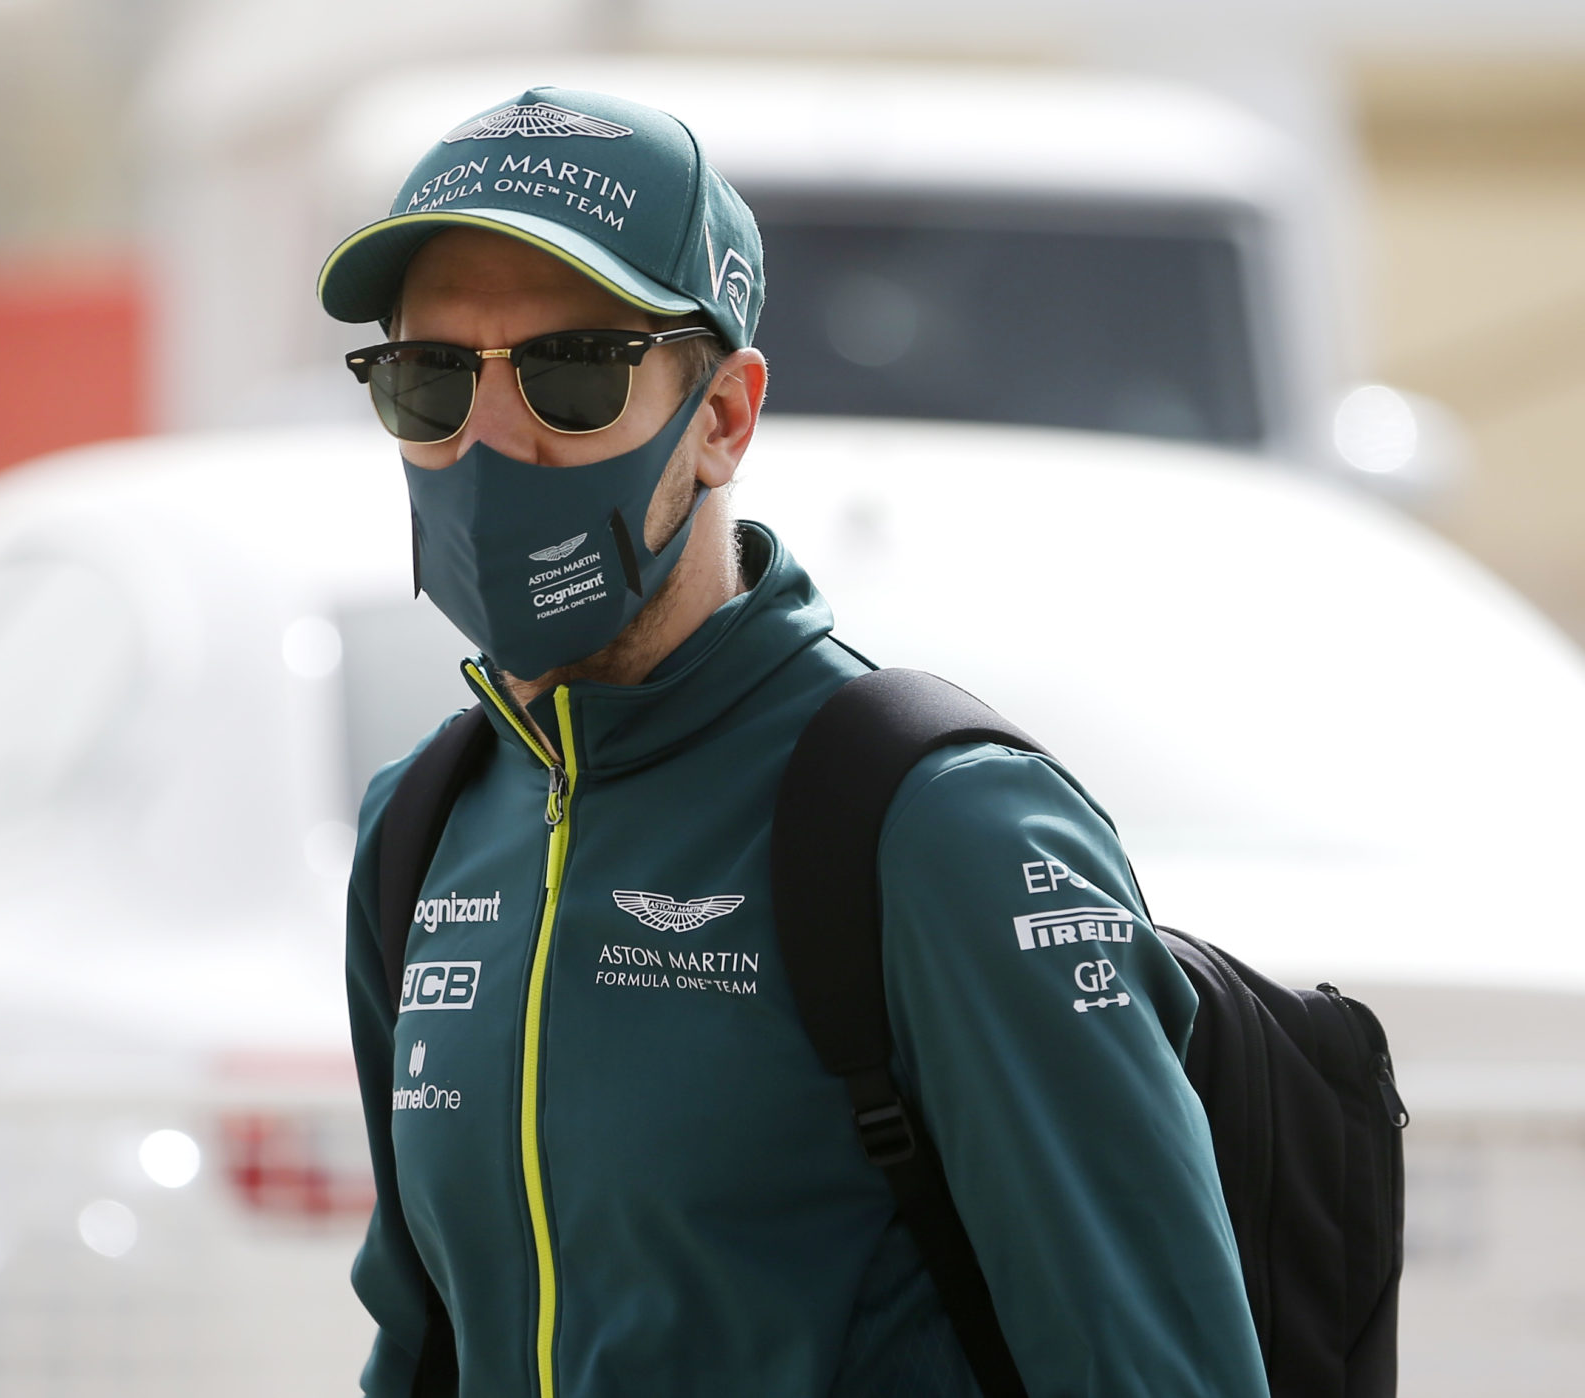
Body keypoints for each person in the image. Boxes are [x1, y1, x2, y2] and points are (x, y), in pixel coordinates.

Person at [318, 86, 1269, 1397]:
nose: (487, 437)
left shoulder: (941, 826)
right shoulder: (422, 828)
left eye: (572, 370)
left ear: (723, 416)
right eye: (428, 380)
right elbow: (420, 1347)